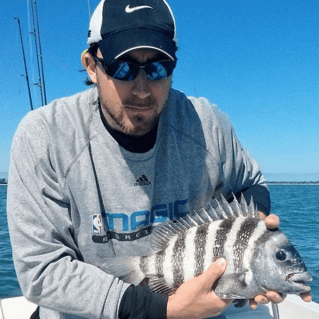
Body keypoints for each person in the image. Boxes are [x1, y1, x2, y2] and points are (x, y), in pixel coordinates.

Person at [7, 0, 311, 318]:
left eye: (157, 68)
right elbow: (41, 270)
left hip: (196, 305)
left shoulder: (208, 124)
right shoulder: (44, 135)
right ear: (92, 66)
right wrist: (164, 310)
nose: (141, 89)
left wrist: (254, 241)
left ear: (174, 65)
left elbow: (249, 183)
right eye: (122, 66)